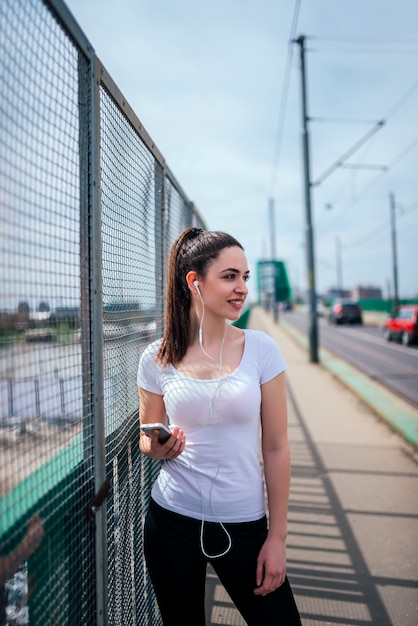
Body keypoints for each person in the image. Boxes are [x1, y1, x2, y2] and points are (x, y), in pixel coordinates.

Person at [137, 227, 302, 626]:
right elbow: (147, 434)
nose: (241, 287)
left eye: (244, 276)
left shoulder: (262, 349)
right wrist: (158, 447)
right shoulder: (156, 357)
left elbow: (277, 447)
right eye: (229, 276)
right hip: (171, 520)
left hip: (244, 523)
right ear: (195, 281)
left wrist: (276, 539)